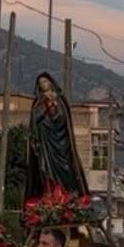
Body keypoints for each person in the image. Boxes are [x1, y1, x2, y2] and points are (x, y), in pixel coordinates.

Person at [25, 72, 89, 203]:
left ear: (51, 82)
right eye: (41, 83)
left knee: (66, 168)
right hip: (46, 142)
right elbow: (35, 120)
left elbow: (63, 119)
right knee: (46, 169)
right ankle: (49, 196)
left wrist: (54, 105)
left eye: (45, 81)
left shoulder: (60, 100)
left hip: (61, 142)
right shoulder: (38, 102)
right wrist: (45, 107)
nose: (44, 84)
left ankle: (68, 195)